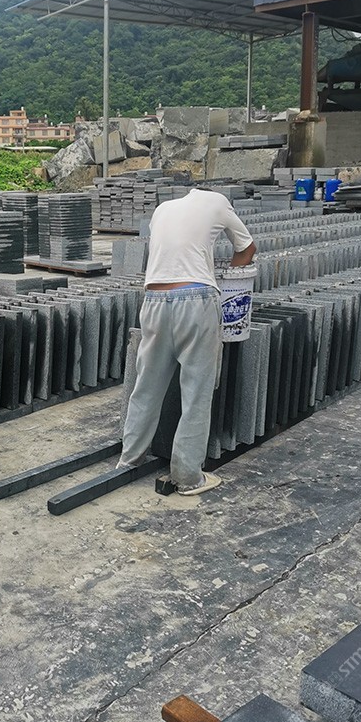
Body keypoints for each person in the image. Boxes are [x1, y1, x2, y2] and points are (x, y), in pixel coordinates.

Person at [117, 187, 256, 496]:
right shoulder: (219, 202)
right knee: (196, 392)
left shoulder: (162, 209)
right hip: (197, 300)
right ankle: (189, 476)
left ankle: (129, 459)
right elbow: (247, 249)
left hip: (153, 299)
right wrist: (225, 282)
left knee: (146, 386)